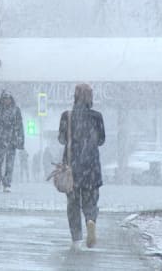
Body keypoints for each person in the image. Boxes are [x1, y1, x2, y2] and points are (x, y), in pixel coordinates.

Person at [58, 83, 105, 250]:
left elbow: (62, 140)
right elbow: (101, 141)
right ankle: (91, 220)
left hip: (72, 167)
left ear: (75, 97)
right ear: (90, 98)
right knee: (90, 200)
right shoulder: (97, 117)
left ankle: (76, 239)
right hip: (92, 167)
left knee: (73, 203)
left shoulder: (67, 116)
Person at [0, 90, 24, 192]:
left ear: (11, 99)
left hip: (11, 140)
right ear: (1, 99)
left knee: (9, 164)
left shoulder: (16, 111)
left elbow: (20, 126)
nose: (6, 100)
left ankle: (7, 184)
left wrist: (20, 140)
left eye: (8, 98)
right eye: (5, 98)